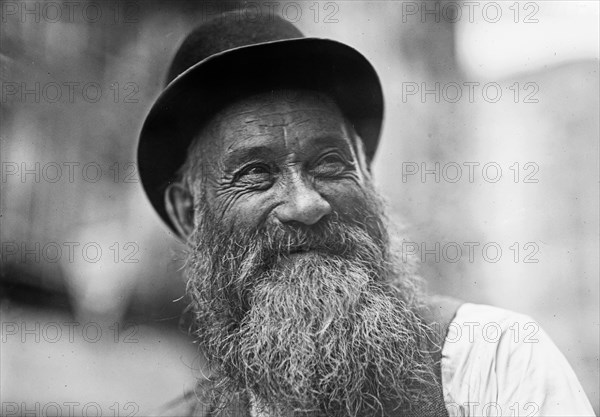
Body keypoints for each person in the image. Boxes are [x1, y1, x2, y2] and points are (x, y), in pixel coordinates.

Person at [138, 11, 595, 417]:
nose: (306, 204)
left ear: (368, 178)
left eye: (330, 164)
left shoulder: (493, 361)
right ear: (188, 212)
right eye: (256, 173)